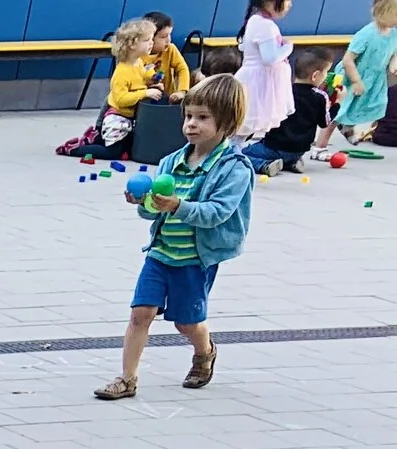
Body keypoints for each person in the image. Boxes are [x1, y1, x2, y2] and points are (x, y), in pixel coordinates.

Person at [97, 75, 252, 400]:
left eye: (202, 118)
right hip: (160, 253)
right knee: (141, 314)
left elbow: (216, 213)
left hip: (194, 260)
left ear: (227, 121)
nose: (191, 125)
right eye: (189, 116)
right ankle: (127, 378)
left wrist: (178, 205)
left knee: (186, 323)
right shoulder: (171, 162)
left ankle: (204, 351)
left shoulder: (234, 168)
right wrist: (145, 203)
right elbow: (154, 212)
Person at [252, 48, 335, 171]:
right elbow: (325, 123)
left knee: (240, 155)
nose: (326, 77)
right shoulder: (320, 97)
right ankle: (291, 163)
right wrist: (337, 103)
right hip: (299, 150)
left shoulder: (283, 91)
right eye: (326, 72)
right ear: (315, 75)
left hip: (274, 147)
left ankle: (264, 165)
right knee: (282, 155)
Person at [102, 20, 165, 151]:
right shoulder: (122, 71)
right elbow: (121, 99)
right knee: (113, 151)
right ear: (132, 44)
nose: (151, 43)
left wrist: (153, 80)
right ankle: (74, 149)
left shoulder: (138, 63)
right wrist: (145, 93)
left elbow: (141, 79)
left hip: (131, 118)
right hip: (117, 118)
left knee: (129, 148)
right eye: (147, 40)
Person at [339, 0, 397, 142]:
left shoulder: (393, 33)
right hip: (356, 75)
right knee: (344, 109)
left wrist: (393, 65)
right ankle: (321, 145)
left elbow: (394, 52)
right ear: (383, 13)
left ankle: (352, 127)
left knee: (376, 105)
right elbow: (348, 60)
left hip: (375, 78)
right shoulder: (367, 33)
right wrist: (356, 81)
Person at [240, 0, 295, 141]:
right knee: (243, 128)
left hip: (257, 81)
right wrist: (288, 48)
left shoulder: (257, 21)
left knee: (243, 130)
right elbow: (269, 58)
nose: (289, 5)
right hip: (258, 85)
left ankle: (234, 155)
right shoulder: (265, 26)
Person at [146, 13, 193, 96]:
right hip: (143, 100)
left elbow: (182, 68)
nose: (169, 40)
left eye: (169, 34)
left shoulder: (170, 49)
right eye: (164, 36)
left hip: (168, 98)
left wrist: (182, 91)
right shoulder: (137, 54)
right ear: (149, 38)